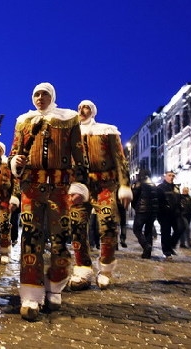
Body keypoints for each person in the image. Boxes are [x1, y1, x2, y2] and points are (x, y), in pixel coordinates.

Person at [9, 82, 89, 320]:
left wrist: (79, 185)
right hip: (31, 188)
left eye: (44, 94)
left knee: (59, 239)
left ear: (52, 97)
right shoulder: (24, 120)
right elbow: (14, 152)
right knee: (30, 239)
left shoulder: (68, 119)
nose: (40, 98)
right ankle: (31, 295)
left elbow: (79, 155)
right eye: (36, 94)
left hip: (60, 188)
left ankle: (55, 285)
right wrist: (16, 162)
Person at [69, 100, 132, 291]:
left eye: (86, 107)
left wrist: (124, 185)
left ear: (93, 111)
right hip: (80, 186)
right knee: (76, 226)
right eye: (79, 108)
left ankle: (105, 268)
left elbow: (120, 159)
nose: (82, 110)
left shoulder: (107, 131)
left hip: (105, 185)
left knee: (109, 226)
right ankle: (82, 268)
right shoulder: (71, 133)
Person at [131, 168, 159, 258]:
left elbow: (133, 197)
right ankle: (147, 254)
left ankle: (146, 246)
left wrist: (135, 207)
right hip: (153, 211)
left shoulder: (139, 183)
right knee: (149, 230)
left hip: (142, 210)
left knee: (136, 229)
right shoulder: (153, 184)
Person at [156, 171, 184, 260]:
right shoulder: (160, 187)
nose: (171, 177)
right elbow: (157, 201)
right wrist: (162, 208)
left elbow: (179, 199)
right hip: (164, 214)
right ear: (165, 176)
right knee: (166, 232)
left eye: (173, 176)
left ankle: (170, 245)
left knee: (180, 228)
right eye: (169, 175)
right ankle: (167, 252)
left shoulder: (176, 187)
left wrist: (181, 207)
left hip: (176, 213)